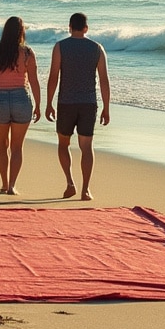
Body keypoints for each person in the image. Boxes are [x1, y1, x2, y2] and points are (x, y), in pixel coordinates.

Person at [45, 12, 110, 201]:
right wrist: (106, 107)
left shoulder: (60, 47)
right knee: (86, 147)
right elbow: (104, 80)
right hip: (88, 104)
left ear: (69, 27)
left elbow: (53, 76)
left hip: (66, 103)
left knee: (63, 144)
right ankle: (86, 190)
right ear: (86, 28)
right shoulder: (97, 48)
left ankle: (70, 183)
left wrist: (48, 103)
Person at [0, 16, 42, 195]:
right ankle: (13, 186)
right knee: (17, 147)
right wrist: (38, 104)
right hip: (21, 99)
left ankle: (4, 183)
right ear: (22, 32)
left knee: (1, 146)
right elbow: (34, 81)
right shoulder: (27, 53)